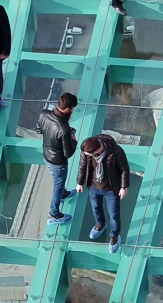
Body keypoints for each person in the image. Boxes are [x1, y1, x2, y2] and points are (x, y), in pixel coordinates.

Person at [75, 134, 129, 254]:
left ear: (96, 151)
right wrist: (80, 183)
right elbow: (82, 166)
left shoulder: (116, 152)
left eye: (88, 154)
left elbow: (124, 169)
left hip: (111, 189)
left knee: (114, 214)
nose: (86, 155)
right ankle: (100, 224)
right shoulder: (86, 153)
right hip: (93, 186)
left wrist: (123, 187)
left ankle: (115, 236)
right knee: (96, 208)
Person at [37, 92, 79, 224]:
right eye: (72, 109)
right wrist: (73, 140)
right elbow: (68, 153)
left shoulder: (43, 114)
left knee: (59, 184)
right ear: (67, 109)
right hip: (58, 162)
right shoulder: (64, 129)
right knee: (58, 185)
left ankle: (64, 194)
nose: (72, 111)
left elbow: (39, 130)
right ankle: (54, 213)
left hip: (46, 154)